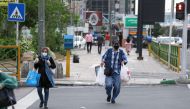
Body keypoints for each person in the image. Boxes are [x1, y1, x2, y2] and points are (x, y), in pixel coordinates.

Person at [101, 39, 128, 104]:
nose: (116, 47)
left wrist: (123, 61)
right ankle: (109, 95)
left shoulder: (121, 52)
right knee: (108, 85)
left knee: (117, 87)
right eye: (115, 45)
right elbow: (104, 57)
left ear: (118, 45)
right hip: (109, 72)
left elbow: (125, 59)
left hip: (117, 73)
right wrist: (102, 62)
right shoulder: (109, 51)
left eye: (117, 45)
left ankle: (113, 98)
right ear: (112, 45)